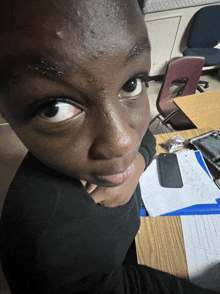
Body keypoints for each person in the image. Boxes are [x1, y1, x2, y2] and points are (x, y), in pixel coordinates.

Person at [0, 0, 218, 293]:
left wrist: (139, 162)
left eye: (131, 84)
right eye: (55, 108)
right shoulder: (50, 240)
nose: (122, 143)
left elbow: (146, 140)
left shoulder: (112, 151)